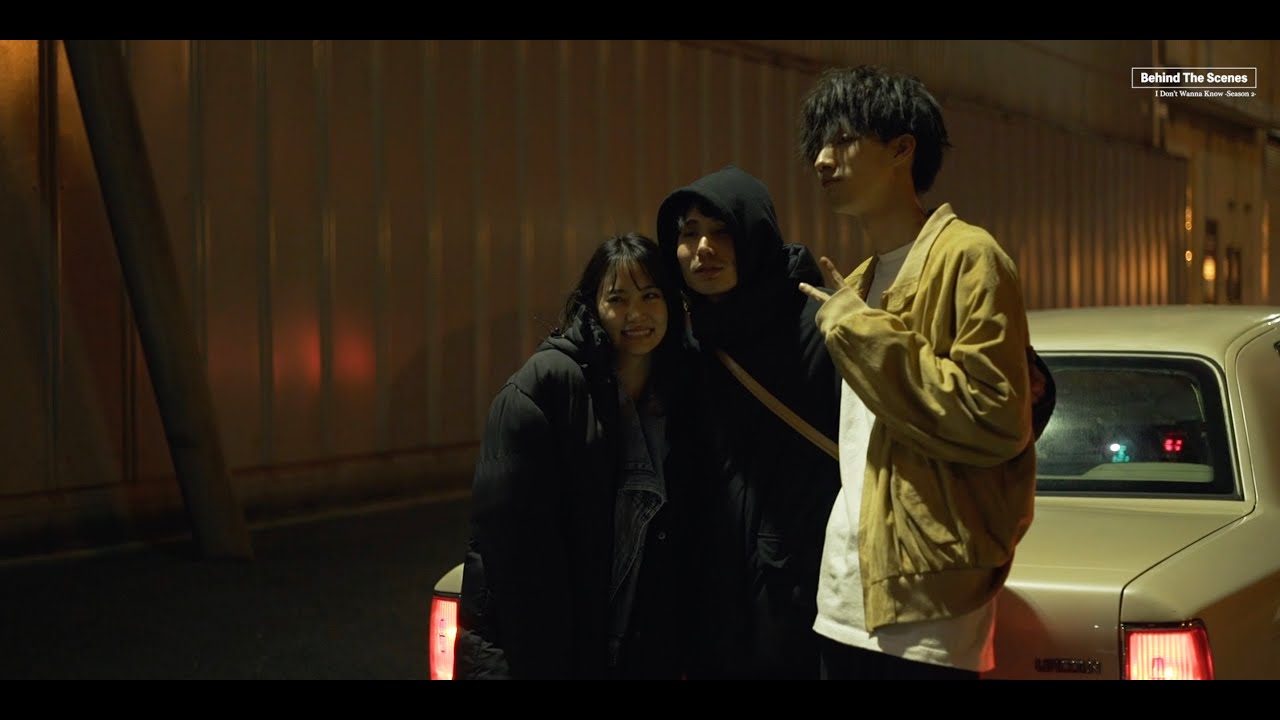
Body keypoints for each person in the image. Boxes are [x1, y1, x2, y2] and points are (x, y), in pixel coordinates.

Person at [796, 64, 1041, 680]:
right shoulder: (858, 282)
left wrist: (862, 332)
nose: (822, 160)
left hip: (930, 611)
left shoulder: (970, 258)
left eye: (843, 140)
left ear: (902, 149)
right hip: (844, 595)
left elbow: (995, 417)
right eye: (818, 145)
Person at [453, 232, 701, 679]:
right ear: (594, 305)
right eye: (617, 299)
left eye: (650, 296)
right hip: (540, 652)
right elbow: (513, 555)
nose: (636, 314)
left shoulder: (676, 396)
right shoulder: (545, 386)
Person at [655, 165, 842, 679]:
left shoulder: (818, 329)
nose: (703, 248)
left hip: (801, 594)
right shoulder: (687, 338)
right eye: (689, 233)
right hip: (714, 596)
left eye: (722, 231)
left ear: (754, 234)